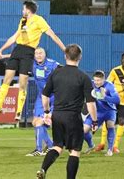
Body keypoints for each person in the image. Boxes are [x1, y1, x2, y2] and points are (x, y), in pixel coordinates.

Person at [0, 0, 65, 119]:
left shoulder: (39, 20)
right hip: (17, 49)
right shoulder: (23, 20)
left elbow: (53, 35)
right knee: (6, 79)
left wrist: (64, 49)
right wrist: (1, 50)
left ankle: (18, 112)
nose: (22, 11)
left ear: (28, 10)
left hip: (29, 51)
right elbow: (14, 37)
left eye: (23, 9)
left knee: (22, 82)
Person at [36, 44, 98, 179]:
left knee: (57, 146)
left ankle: (43, 168)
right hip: (73, 118)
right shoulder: (84, 77)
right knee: (74, 151)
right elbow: (91, 103)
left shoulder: (56, 73)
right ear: (80, 57)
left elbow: (44, 95)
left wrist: (47, 112)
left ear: (65, 56)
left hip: (57, 116)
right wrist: (94, 120)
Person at [95, 53, 124, 153]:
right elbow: (107, 84)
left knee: (122, 121)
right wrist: (102, 96)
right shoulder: (115, 71)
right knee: (107, 121)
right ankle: (102, 143)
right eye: (123, 59)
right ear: (121, 61)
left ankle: (115, 145)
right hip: (113, 100)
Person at [26, 47, 59, 157]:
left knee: (41, 122)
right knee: (35, 122)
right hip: (41, 97)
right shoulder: (32, 64)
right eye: (36, 53)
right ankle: (50, 146)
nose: (39, 55)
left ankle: (39, 149)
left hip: (53, 97)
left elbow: (64, 70)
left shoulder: (52, 64)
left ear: (45, 54)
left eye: (41, 53)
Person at [83, 70, 119, 157]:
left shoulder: (110, 86)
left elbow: (117, 100)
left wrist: (105, 97)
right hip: (97, 112)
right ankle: (91, 145)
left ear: (104, 79)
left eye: (98, 80)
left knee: (110, 125)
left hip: (109, 111)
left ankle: (110, 149)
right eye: (95, 80)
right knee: (84, 130)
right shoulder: (91, 84)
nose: (96, 82)